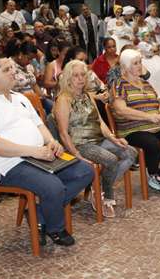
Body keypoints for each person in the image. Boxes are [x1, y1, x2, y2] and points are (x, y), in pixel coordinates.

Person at [0, 55, 93, 246]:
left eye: (13, 68)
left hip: (38, 156)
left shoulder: (19, 98)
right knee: (53, 187)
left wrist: (51, 141)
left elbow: (39, 125)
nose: (14, 72)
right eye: (7, 70)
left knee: (85, 171)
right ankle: (55, 228)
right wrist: (33, 151)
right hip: (10, 164)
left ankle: (40, 215)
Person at [54, 60, 136, 218]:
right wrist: (76, 154)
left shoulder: (88, 96)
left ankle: (99, 188)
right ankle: (106, 195)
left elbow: (100, 122)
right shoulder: (63, 100)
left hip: (98, 139)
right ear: (68, 78)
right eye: (76, 75)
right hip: (80, 144)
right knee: (111, 159)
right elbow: (63, 133)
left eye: (83, 75)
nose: (80, 78)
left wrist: (114, 138)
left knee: (130, 152)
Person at [110, 49, 160, 196]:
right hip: (132, 130)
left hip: (155, 125)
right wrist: (148, 117)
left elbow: (156, 102)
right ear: (126, 67)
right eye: (135, 63)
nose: (139, 66)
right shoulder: (119, 84)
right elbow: (121, 110)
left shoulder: (145, 83)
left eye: (140, 62)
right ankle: (152, 173)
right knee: (153, 144)